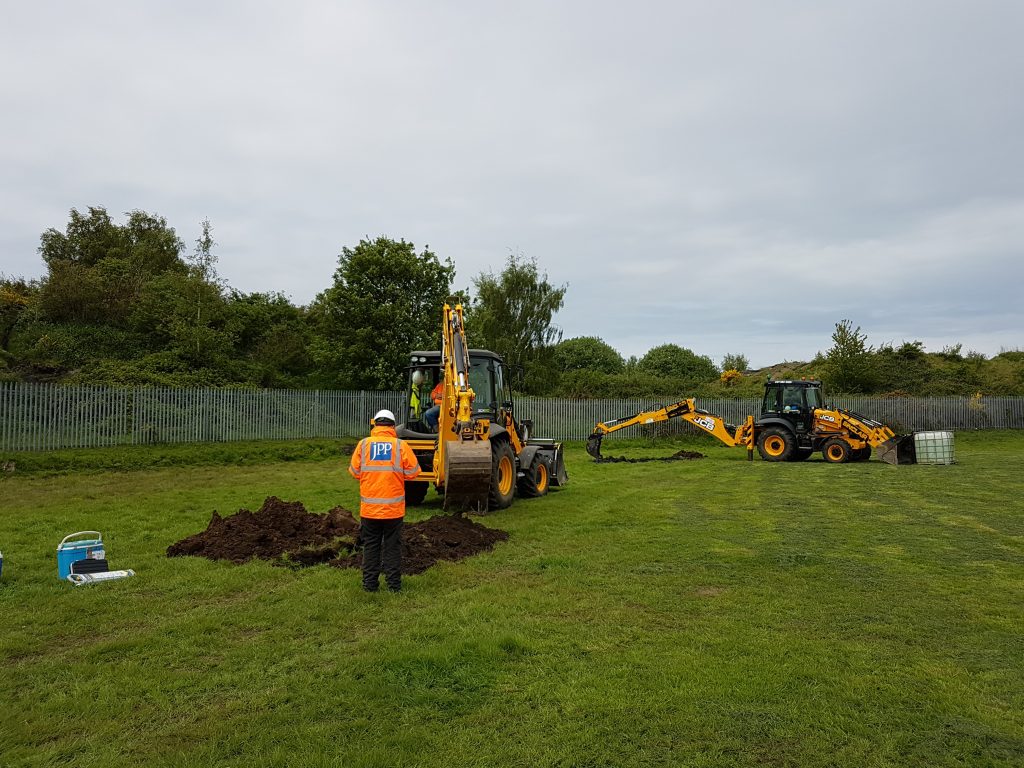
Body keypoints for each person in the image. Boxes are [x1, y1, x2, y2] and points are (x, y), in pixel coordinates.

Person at [348, 409, 421, 592]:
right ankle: (394, 586)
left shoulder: (363, 445)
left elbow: (355, 472)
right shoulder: (400, 446)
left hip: (369, 509)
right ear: (392, 426)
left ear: (375, 425)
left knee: (371, 546)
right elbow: (413, 473)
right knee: (392, 547)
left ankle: (370, 586)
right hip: (393, 509)